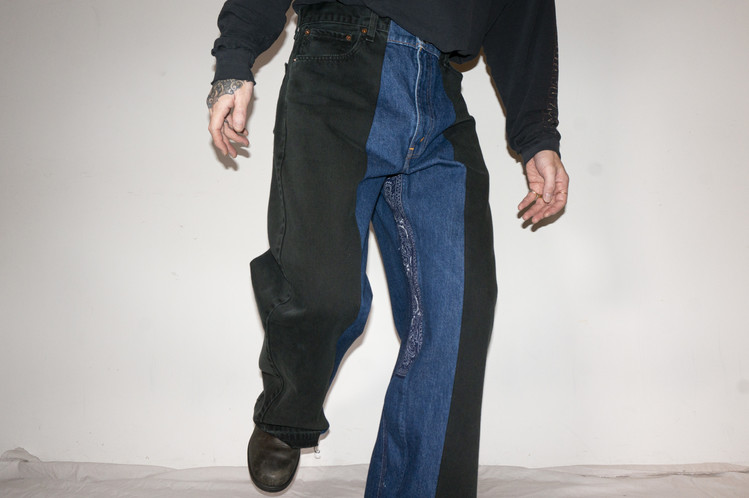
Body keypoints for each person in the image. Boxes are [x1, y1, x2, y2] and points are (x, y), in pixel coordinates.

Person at [207, 0, 569, 495]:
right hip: (337, 58)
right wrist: (234, 62)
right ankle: (287, 409)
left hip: (441, 91)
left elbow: (524, 16)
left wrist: (538, 136)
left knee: (458, 311)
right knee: (324, 289)